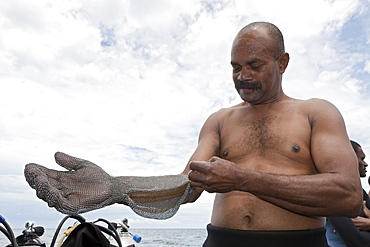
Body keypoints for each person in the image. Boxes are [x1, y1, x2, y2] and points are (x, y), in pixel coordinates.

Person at [24, 22, 363, 247]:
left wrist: (243, 179)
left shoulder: (316, 112)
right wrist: (119, 188)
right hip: (220, 241)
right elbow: (187, 187)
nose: (242, 75)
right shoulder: (219, 119)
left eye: (255, 65)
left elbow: (347, 197)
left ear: (283, 62)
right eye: (235, 66)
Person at [326, 140, 370, 247]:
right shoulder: (333, 193)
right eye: (362, 159)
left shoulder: (360, 192)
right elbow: (358, 242)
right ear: (348, 159)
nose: (366, 164)